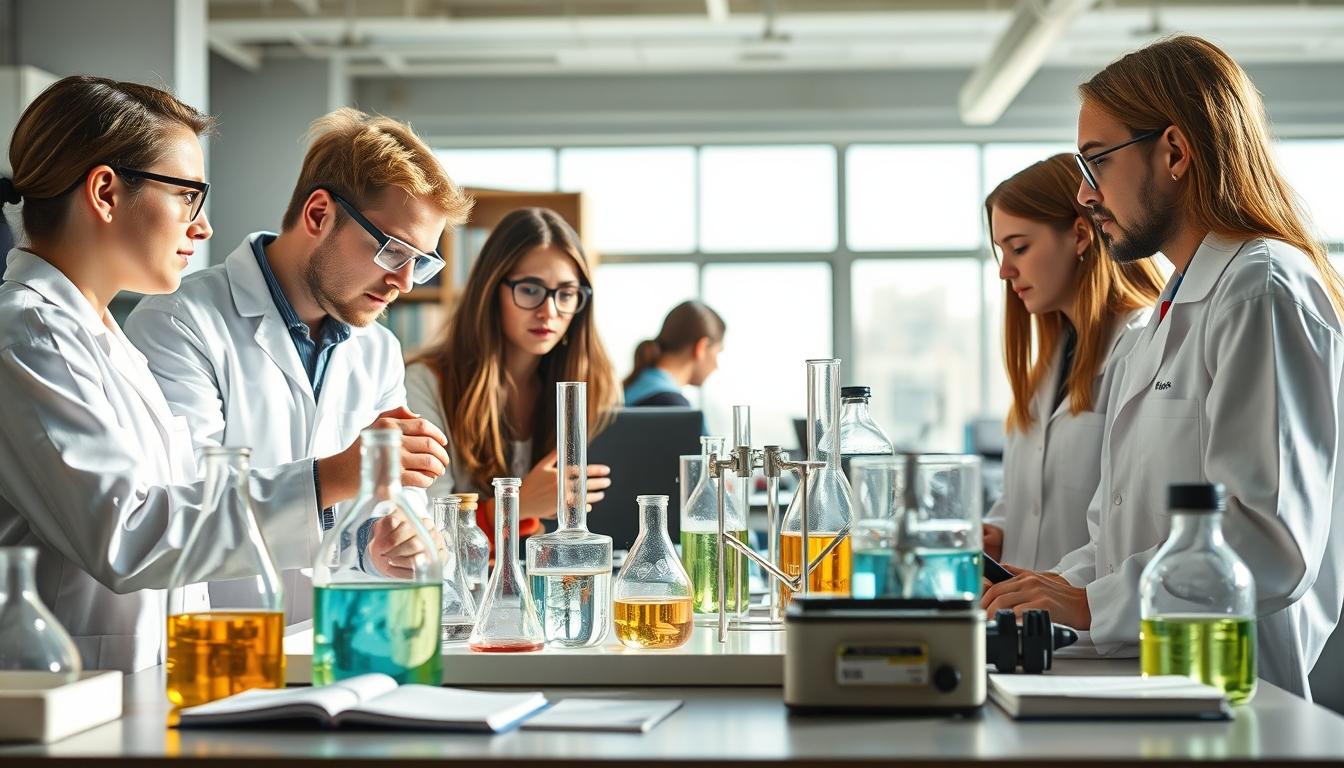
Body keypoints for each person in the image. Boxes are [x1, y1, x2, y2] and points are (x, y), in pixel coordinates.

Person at [980, 36, 1344, 700]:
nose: (1087, 196)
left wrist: (1090, 605)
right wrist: (1049, 589)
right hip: (1146, 683)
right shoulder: (1160, 322)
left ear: (1173, 151)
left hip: (1238, 695)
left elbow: (1267, 543)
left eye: (1097, 163)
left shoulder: (1262, 289)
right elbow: (1113, 533)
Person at [0, 76, 399, 673]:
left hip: (149, 680)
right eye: (188, 195)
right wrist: (327, 479)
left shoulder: (97, 334)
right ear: (106, 193)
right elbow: (129, 536)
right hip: (71, 690)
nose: (204, 225)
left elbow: (189, 513)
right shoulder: (29, 334)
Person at [124, 108, 467, 621]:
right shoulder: (179, 322)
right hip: (217, 638)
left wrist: (388, 547)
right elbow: (184, 512)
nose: (407, 282)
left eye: (422, 262)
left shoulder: (378, 351)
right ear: (318, 214)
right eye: (395, 251)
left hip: (331, 642)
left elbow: (375, 518)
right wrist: (333, 476)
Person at [982, 154, 1163, 571]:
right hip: (1035, 621)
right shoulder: (1053, 357)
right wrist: (1000, 531)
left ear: (1080, 235)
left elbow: (1129, 519)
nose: (1005, 271)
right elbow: (1030, 498)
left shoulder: (1138, 345)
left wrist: (1065, 590)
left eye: (1020, 248)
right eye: (1001, 252)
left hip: (1093, 624)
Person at [405, 207, 619, 548]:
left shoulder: (593, 391)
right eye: (531, 289)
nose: (549, 311)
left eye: (565, 294)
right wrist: (517, 507)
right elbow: (424, 531)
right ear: (491, 292)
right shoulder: (426, 383)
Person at [622, 300, 725, 408]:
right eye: (718, 352)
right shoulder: (675, 407)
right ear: (701, 347)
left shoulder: (627, 390)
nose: (716, 366)